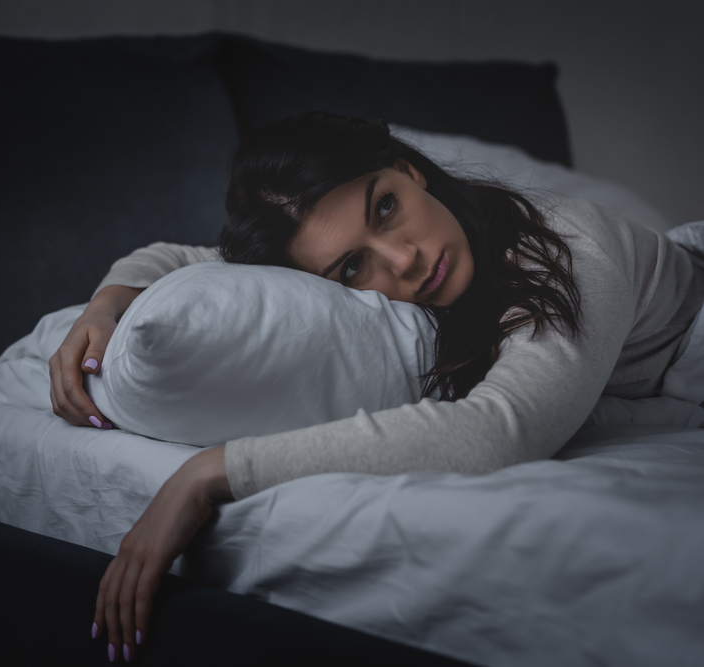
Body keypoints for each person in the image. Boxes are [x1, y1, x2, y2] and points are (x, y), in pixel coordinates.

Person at [48, 112, 704, 663]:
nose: (403, 260)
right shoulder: (410, 258)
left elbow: (500, 430)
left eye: (385, 207)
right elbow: (180, 257)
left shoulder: (570, 247)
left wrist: (212, 470)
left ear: (409, 170)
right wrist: (104, 307)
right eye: (352, 266)